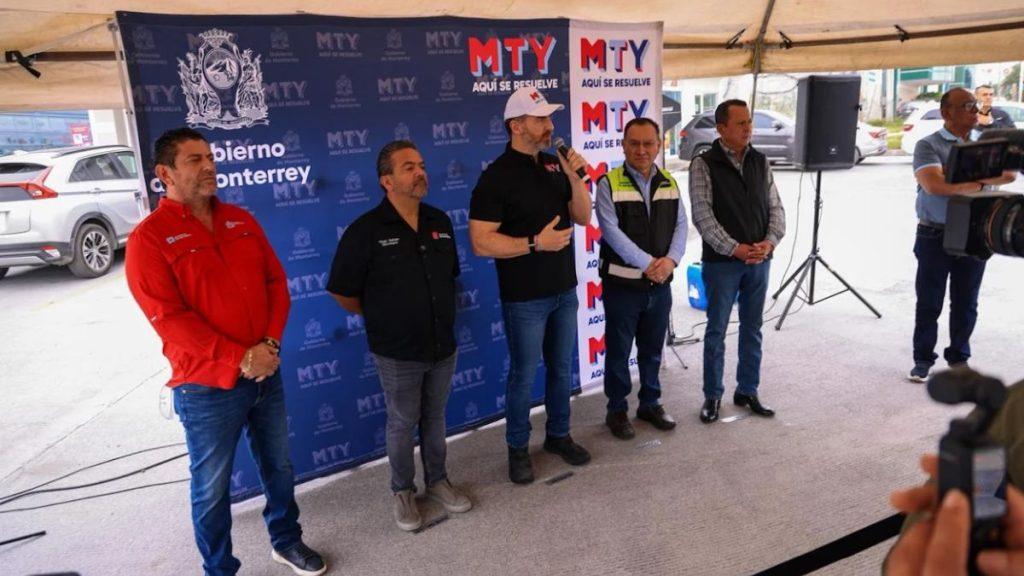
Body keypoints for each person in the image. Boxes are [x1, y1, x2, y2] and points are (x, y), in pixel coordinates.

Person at [125, 128, 326, 576]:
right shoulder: (149, 239)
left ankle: (286, 541)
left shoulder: (240, 220)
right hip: (205, 387)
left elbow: (276, 283)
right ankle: (219, 569)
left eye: (210, 157)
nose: (209, 166)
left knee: (279, 466)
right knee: (211, 488)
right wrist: (240, 357)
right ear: (165, 173)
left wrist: (269, 345)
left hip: (265, 372)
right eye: (195, 160)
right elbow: (168, 319)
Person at [326, 140, 471, 532]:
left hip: (443, 344)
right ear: (386, 180)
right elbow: (342, 291)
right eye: (409, 167)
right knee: (402, 422)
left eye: (421, 164)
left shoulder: (440, 221)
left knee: (435, 418)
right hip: (397, 351)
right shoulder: (365, 231)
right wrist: (382, 315)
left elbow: (450, 276)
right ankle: (403, 491)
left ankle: (438, 481)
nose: (420, 172)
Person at [468, 86, 593, 484]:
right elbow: (480, 240)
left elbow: (583, 217)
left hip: (564, 289)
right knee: (523, 375)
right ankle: (518, 448)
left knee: (560, 369)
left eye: (549, 118)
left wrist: (576, 178)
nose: (550, 126)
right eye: (540, 119)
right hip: (525, 298)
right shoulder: (495, 177)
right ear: (516, 125)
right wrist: (535, 243)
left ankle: (558, 435)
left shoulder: (556, 164)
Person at [908, 88, 1016, 383]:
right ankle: (922, 360)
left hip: (976, 234)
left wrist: (957, 176)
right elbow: (934, 186)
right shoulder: (928, 145)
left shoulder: (985, 142)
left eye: (974, 105)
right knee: (929, 302)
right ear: (946, 112)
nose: (974, 110)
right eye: (967, 105)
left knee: (966, 301)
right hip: (935, 234)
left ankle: (959, 358)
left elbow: (1009, 175)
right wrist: (981, 180)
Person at [688, 99, 786, 424]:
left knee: (753, 328)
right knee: (716, 330)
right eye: (741, 123)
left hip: (759, 260)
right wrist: (736, 249)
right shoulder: (704, 163)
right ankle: (712, 395)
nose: (748, 128)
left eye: (749, 122)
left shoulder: (760, 160)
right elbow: (703, 217)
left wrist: (769, 243)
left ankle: (747, 390)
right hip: (722, 264)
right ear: (721, 129)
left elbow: (776, 208)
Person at [594, 117, 687, 439]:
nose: (642, 150)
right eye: (634, 143)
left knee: (651, 350)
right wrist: (650, 263)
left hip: (660, 286)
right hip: (623, 287)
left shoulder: (670, 183)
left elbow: (681, 227)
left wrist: (672, 261)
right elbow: (611, 232)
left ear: (659, 146)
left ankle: (650, 402)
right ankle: (616, 410)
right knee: (619, 353)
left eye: (649, 143)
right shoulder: (608, 183)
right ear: (623, 145)